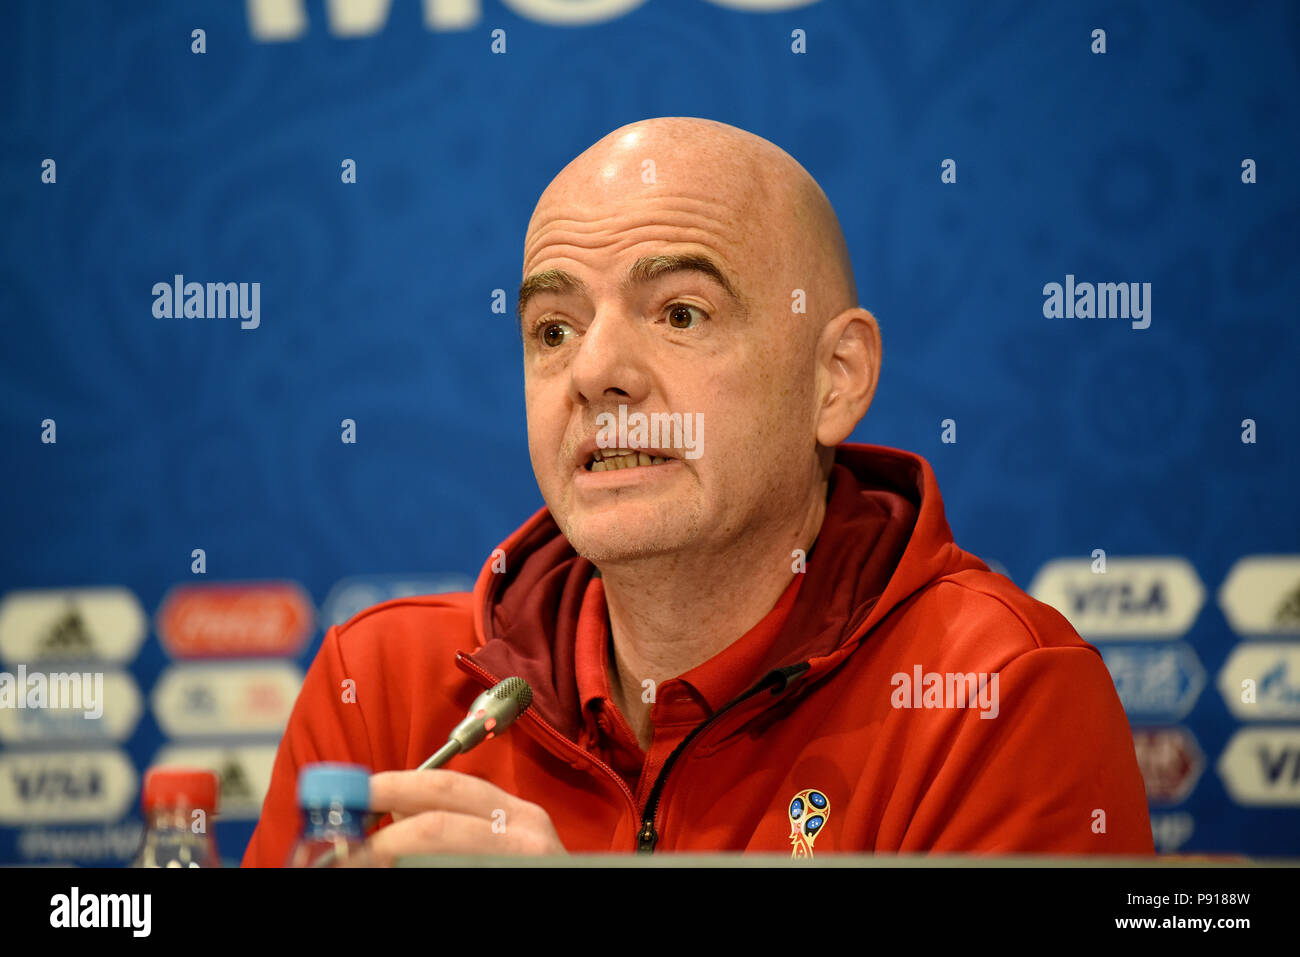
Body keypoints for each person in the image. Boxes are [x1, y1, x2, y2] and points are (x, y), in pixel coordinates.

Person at [242, 116, 1152, 865]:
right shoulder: (384, 687)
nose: (596, 372)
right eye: (553, 329)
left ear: (835, 377)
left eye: (681, 313)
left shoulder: (992, 695)